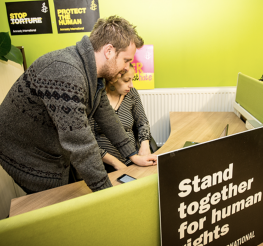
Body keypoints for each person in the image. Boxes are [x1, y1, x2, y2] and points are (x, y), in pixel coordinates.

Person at [0, 15, 157, 194]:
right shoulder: (66, 73)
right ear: (109, 51)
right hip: (25, 153)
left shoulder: (91, 71)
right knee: (57, 203)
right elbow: (81, 143)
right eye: (126, 60)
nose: (126, 67)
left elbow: (106, 115)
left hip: (49, 144)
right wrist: (108, 194)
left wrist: (133, 155)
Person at [90, 63, 152, 173]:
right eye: (126, 80)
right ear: (113, 79)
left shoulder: (131, 94)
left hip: (132, 159)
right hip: (104, 164)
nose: (131, 85)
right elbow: (89, 142)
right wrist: (116, 163)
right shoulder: (96, 98)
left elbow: (143, 123)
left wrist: (145, 145)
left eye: (132, 80)